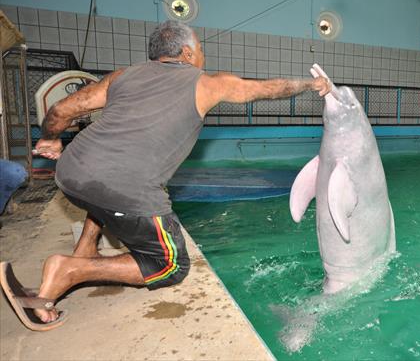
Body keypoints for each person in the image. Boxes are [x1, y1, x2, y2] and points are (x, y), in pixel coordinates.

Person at [0, 20, 331, 331]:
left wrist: (51, 138)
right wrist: (311, 84)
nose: (202, 55)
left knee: (102, 192)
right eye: (200, 48)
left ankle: (86, 247)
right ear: (187, 53)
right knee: (171, 265)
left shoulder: (122, 77)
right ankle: (72, 270)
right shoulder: (206, 83)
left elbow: (60, 111)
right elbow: (268, 89)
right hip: (124, 187)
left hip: (70, 173)